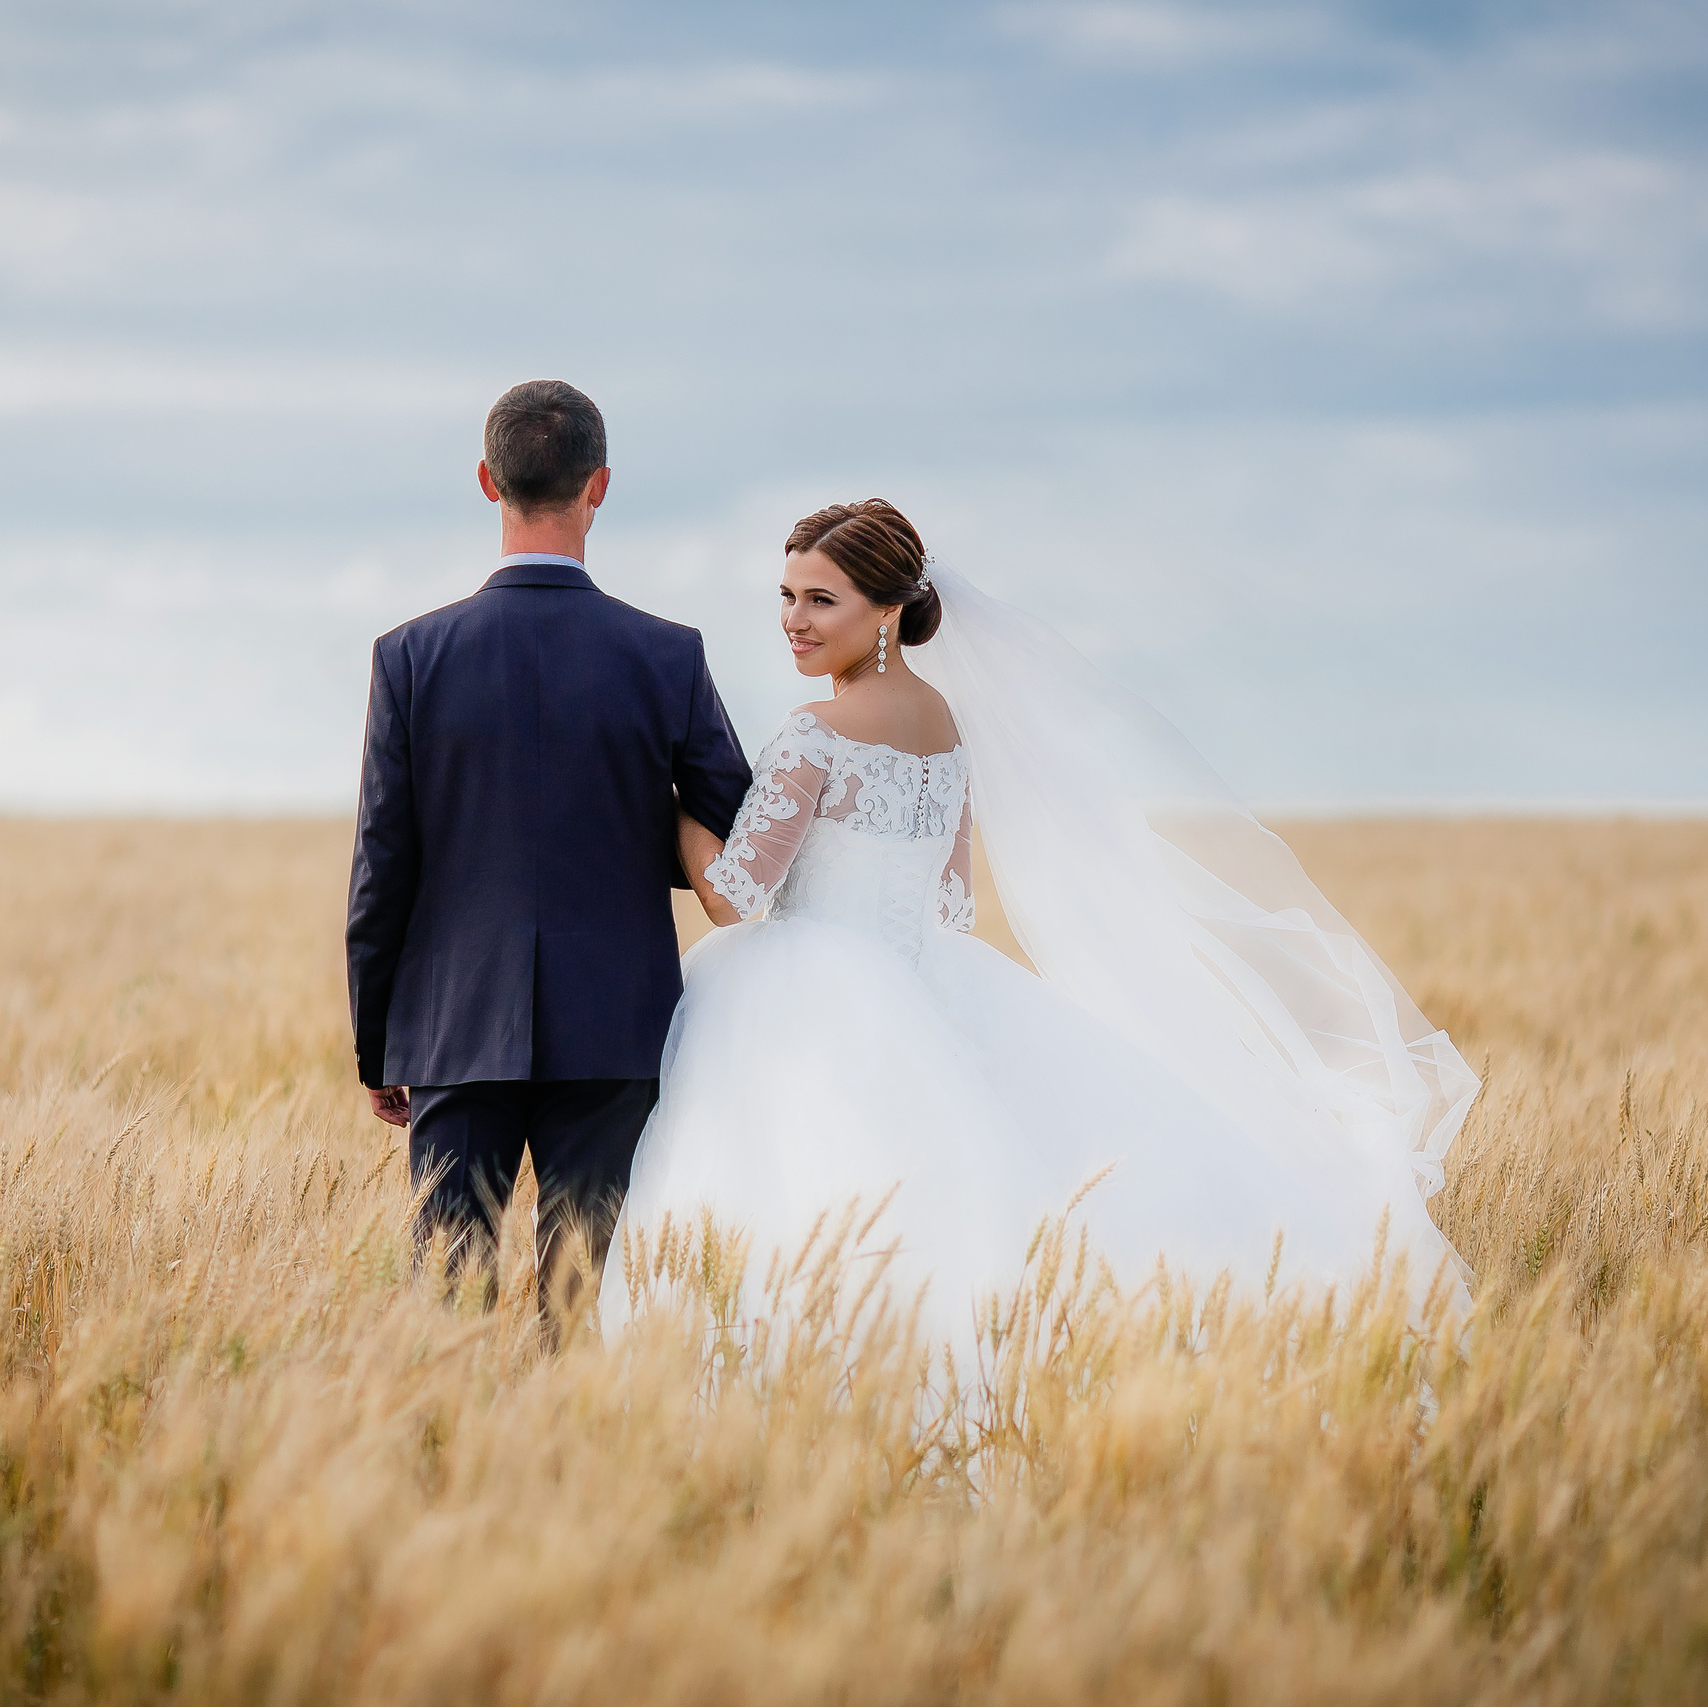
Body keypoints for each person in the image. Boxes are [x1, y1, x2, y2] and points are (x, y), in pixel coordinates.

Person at [604, 499, 1478, 1346]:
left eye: (821, 599)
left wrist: (670, 806)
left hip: (801, 992)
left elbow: (732, 895)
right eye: (788, 596)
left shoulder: (814, 731)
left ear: (888, 610)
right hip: (925, 978)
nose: (795, 619)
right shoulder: (945, 726)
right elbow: (951, 900)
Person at [345, 380, 752, 1334]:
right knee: (586, 1307)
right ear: (599, 485)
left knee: (446, 1310)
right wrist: (614, 816)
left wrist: (378, 1041)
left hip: (452, 1027)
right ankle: (576, 1472)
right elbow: (733, 822)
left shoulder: (409, 656)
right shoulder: (667, 655)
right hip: (616, 1027)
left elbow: (381, 866)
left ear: (487, 480)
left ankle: (454, 1470)